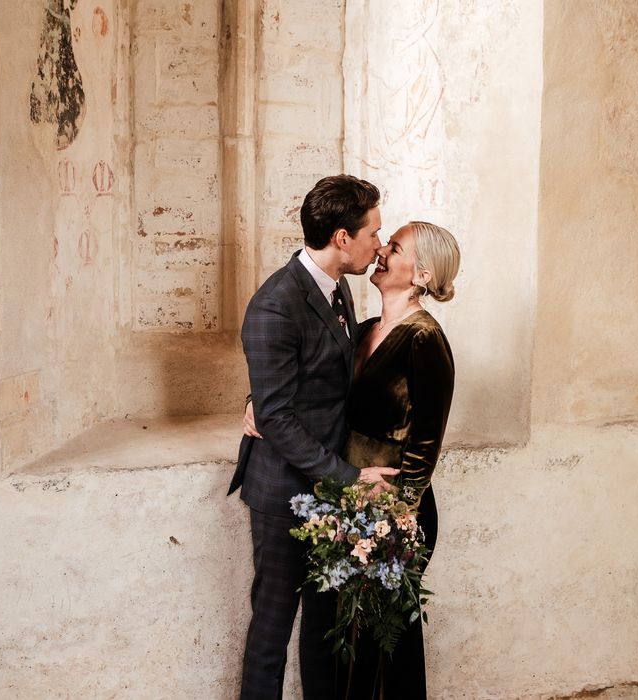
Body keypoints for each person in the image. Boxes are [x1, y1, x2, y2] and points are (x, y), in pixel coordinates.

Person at [227, 175, 399, 699]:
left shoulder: (338, 285)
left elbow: (314, 381)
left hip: (329, 484)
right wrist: (349, 478)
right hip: (284, 492)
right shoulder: (275, 304)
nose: (380, 243)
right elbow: (277, 418)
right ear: (342, 238)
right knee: (273, 627)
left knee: (326, 629)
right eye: (373, 232)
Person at [336, 220, 460, 700]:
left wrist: (399, 515)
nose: (382, 250)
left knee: (389, 642)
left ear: (422, 274)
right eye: (387, 243)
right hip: (349, 500)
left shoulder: (425, 339)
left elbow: (428, 438)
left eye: (396, 246)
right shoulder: (365, 329)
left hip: (395, 514)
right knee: (353, 639)